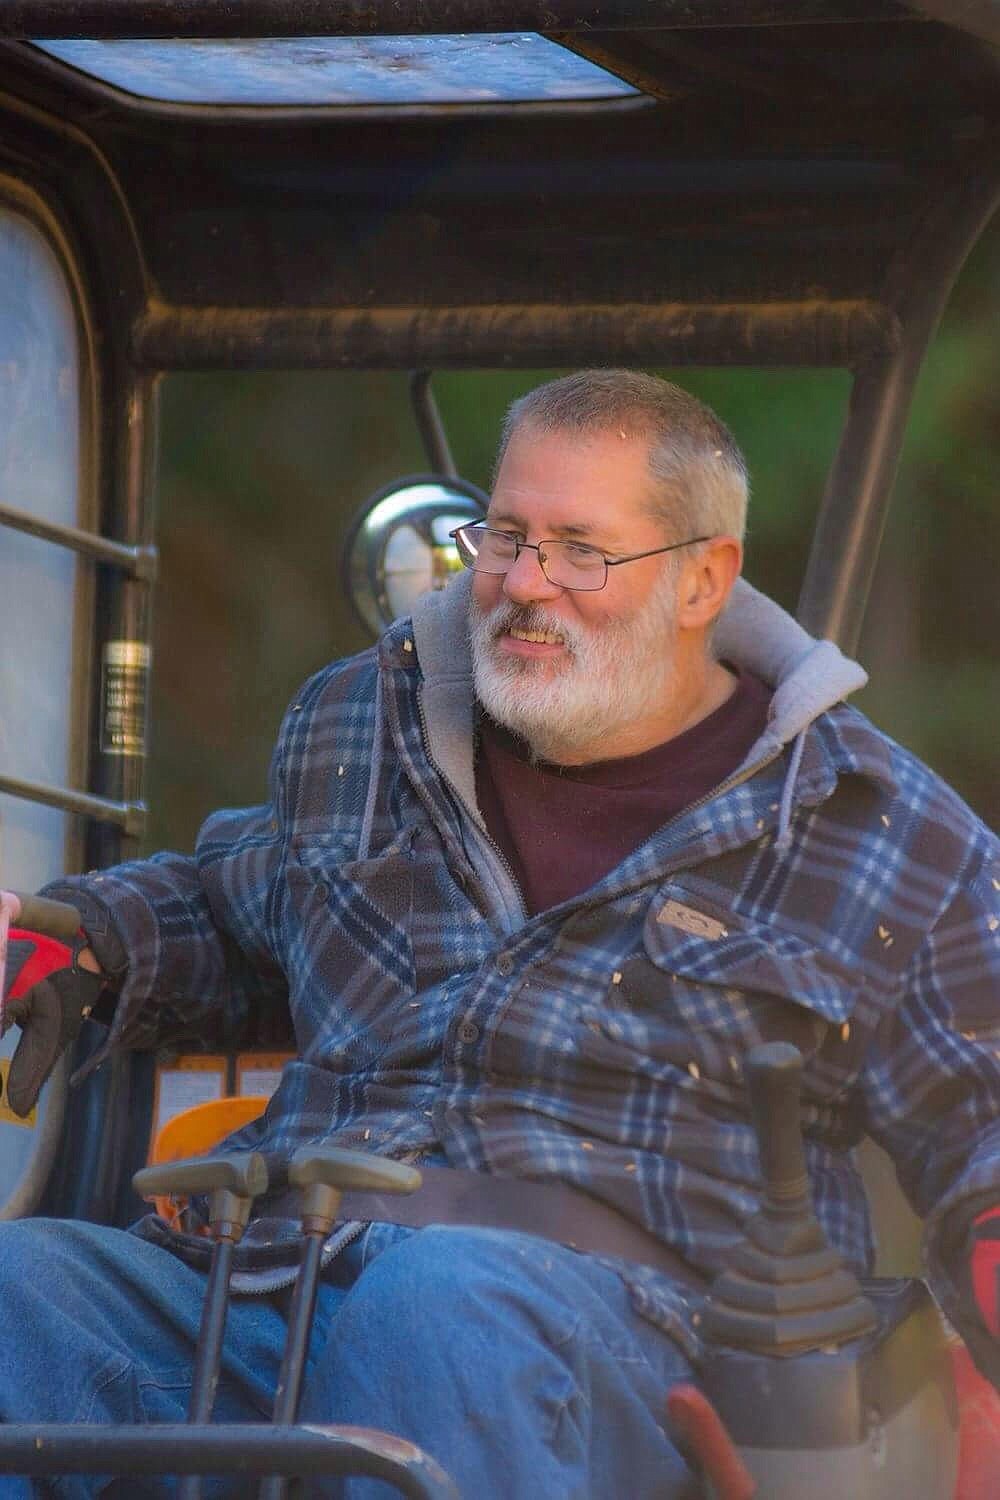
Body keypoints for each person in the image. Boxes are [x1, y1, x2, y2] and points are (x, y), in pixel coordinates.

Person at [1, 369, 998, 1499]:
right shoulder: (360, 722)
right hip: (272, 1279)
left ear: (701, 579)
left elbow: (984, 1098)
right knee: (17, 1295)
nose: (525, 585)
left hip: (647, 1346)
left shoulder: (871, 824)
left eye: (582, 549)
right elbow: (240, 907)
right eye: (505, 536)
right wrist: (84, 938)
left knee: (438, 1307)